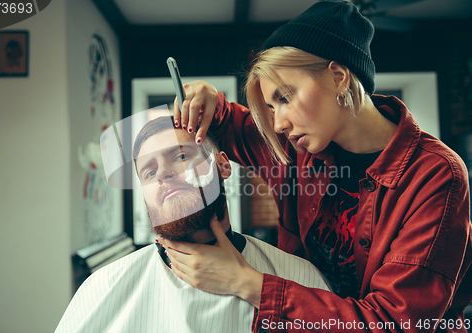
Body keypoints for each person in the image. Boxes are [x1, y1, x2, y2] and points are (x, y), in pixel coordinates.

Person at [159, 1, 472, 332]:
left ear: (338, 77)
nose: (277, 123)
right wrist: (207, 99)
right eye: (269, 106)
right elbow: (230, 125)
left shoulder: (435, 176)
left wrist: (248, 283)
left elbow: (392, 322)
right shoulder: (299, 147)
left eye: (284, 98)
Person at [54, 116, 330, 333]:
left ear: (223, 166)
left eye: (181, 156)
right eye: (149, 171)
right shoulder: (101, 289)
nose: (163, 173)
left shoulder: (300, 278)